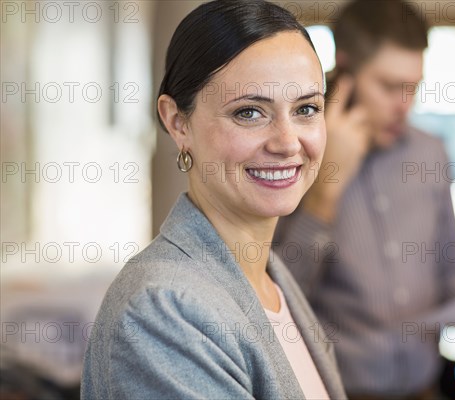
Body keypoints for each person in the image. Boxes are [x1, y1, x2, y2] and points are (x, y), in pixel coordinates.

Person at [80, 1, 347, 398]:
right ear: (177, 122)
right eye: (249, 113)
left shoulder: (272, 280)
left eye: (306, 108)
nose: (288, 142)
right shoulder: (163, 309)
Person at [274, 0, 455, 399]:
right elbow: (279, 298)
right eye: (390, 86)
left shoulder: (431, 154)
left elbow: (450, 275)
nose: (405, 105)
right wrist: (326, 189)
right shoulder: (293, 155)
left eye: (414, 87)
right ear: (345, 67)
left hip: (425, 389)